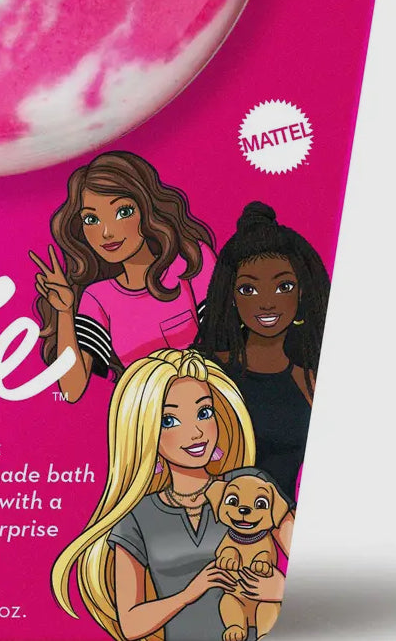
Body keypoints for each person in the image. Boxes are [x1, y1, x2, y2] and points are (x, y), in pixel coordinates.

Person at [52, 349, 292, 641]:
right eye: (169, 420)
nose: (196, 432)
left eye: (204, 413)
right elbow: (130, 624)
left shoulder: (249, 486)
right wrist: (191, 592)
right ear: (144, 431)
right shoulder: (136, 517)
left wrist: (280, 589)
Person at [31, 152, 216, 402]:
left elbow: (226, 344)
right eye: (91, 219)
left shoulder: (191, 262)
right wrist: (64, 312)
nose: (107, 232)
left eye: (123, 211)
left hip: (209, 405)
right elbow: (70, 391)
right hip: (143, 418)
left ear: (146, 208)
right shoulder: (98, 298)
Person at [195, 201, 331, 500]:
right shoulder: (204, 372)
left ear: (303, 291)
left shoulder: (310, 380)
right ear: (230, 295)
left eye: (284, 287)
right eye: (248, 289)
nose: (267, 303)